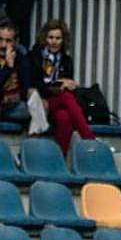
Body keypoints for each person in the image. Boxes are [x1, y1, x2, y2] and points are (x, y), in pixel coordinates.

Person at [29, 19, 94, 156]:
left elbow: (66, 85)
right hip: (39, 100)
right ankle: (89, 138)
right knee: (65, 97)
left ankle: (59, 160)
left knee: (64, 117)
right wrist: (56, 85)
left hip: (57, 103)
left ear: (63, 40)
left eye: (58, 38)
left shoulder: (66, 60)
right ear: (45, 38)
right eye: (51, 37)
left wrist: (70, 85)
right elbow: (35, 82)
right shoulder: (35, 54)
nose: (54, 41)